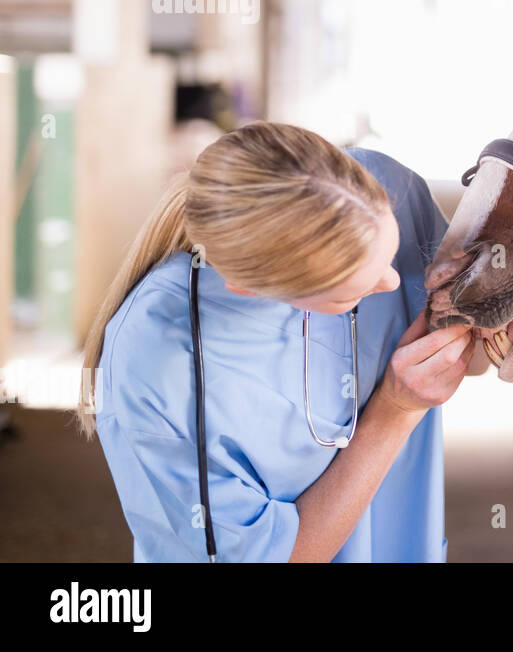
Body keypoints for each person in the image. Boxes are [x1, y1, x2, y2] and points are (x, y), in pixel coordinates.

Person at [79, 121, 477, 562]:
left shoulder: (386, 185)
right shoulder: (160, 361)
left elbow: (476, 354)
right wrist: (394, 413)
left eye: (392, 250)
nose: (394, 282)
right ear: (251, 288)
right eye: (350, 293)